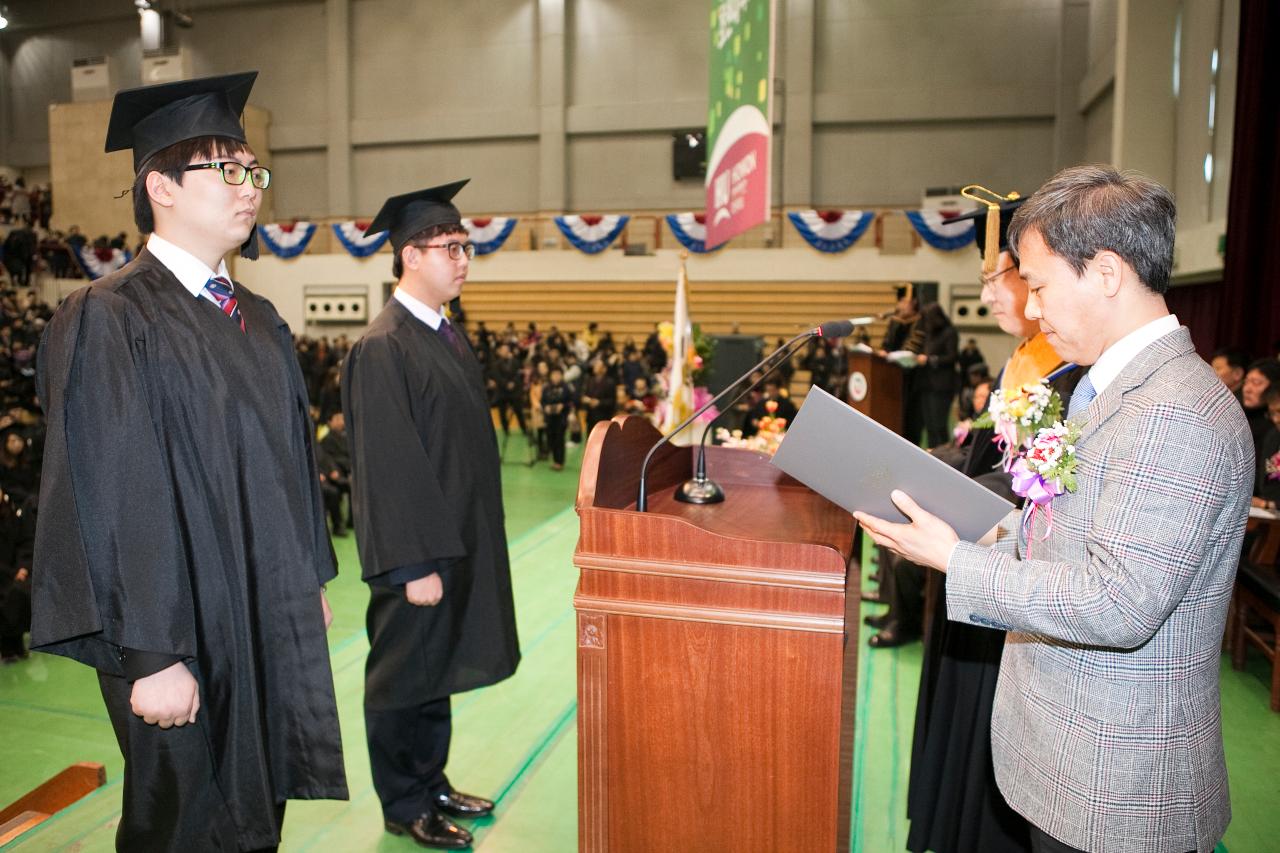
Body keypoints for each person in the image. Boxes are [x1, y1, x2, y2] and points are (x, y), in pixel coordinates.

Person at [856, 165, 1252, 853]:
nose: (1030, 309)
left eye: (1037, 284)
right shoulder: (1115, 386)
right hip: (1069, 764)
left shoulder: (1175, 412)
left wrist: (954, 560)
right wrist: (970, 529)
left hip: (1115, 791)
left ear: (1105, 272)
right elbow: (1069, 531)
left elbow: (1118, 602)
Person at [31, 72, 347, 852]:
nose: (249, 189)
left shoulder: (258, 319)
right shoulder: (112, 316)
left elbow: (285, 464)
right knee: (185, 824)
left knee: (256, 807)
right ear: (161, 185)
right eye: (227, 171)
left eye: (254, 172)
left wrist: (305, 578)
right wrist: (153, 653)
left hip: (259, 611)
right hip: (177, 626)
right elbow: (114, 492)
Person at [899, 191, 1084, 852]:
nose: (994, 294)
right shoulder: (1025, 360)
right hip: (970, 576)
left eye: (998, 275)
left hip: (1005, 592)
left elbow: (1034, 496)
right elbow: (990, 457)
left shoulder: (1071, 374)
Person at [342, 180, 520, 851]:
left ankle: (432, 780)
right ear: (410, 256)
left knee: (436, 671)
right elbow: (385, 467)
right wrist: (413, 563)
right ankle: (403, 801)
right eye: (449, 247)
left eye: (466, 246)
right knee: (403, 676)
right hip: (415, 553)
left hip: (456, 540)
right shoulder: (383, 346)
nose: (463, 258)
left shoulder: (443, 334)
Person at [541, 364, 573, 470]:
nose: (556, 376)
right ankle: (555, 460)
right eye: (554, 374)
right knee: (551, 438)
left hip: (561, 418)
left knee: (560, 439)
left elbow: (570, 402)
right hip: (550, 418)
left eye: (558, 374)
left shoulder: (566, 388)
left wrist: (562, 406)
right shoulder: (546, 388)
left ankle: (560, 461)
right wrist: (546, 407)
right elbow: (543, 401)